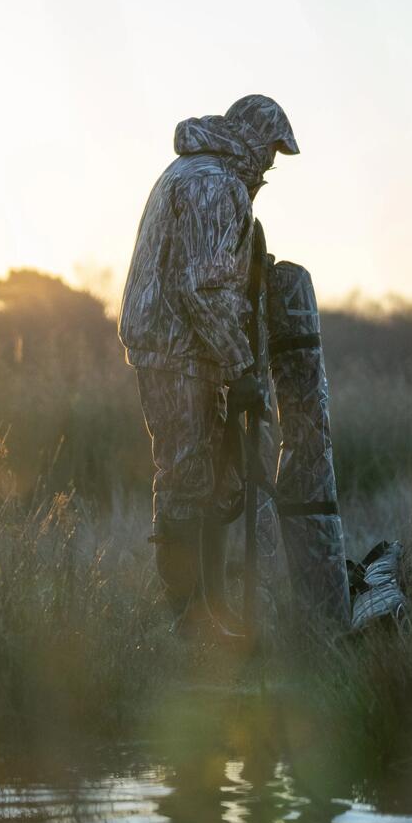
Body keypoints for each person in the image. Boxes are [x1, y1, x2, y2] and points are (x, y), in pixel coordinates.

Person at [118, 94, 299, 640]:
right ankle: (189, 624)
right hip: (178, 351)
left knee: (214, 478)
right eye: (270, 151)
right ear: (251, 138)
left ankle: (208, 614)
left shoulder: (206, 175)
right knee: (187, 477)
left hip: (190, 349)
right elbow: (202, 288)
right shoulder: (212, 183)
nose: (270, 166)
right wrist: (241, 367)